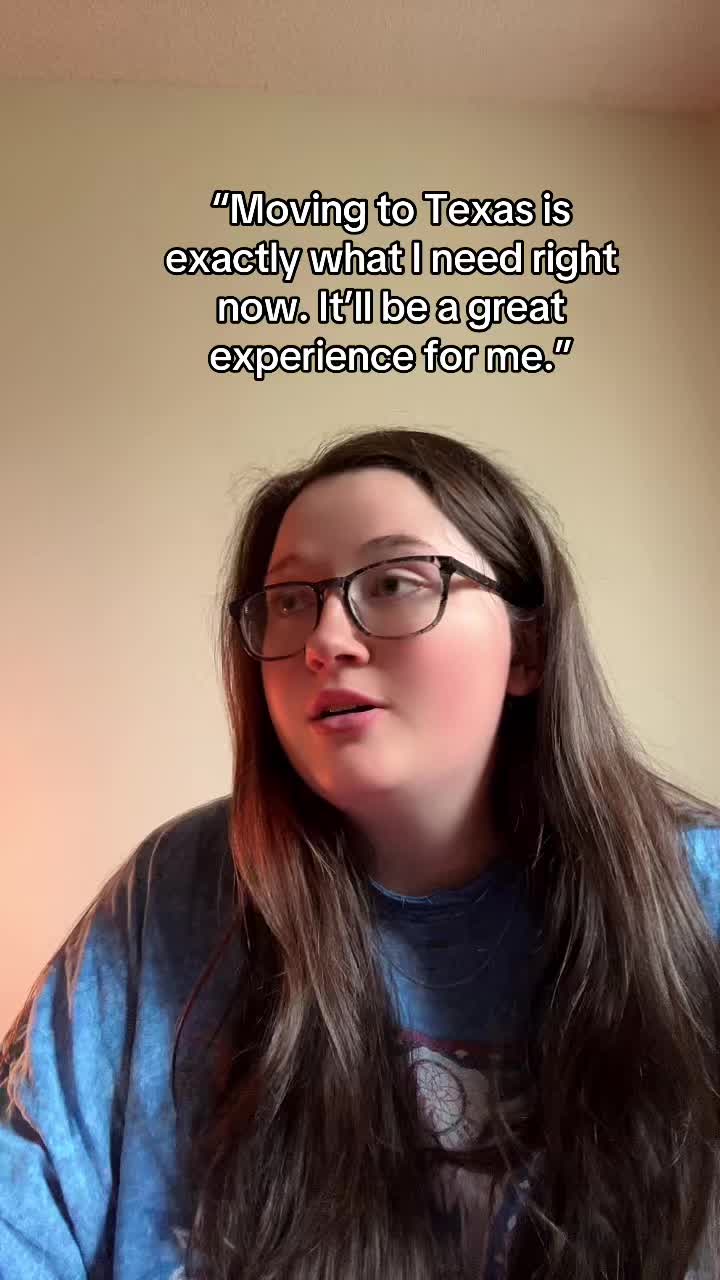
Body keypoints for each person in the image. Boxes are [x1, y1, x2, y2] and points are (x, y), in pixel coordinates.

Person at [1, 426, 719, 1280]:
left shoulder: (697, 900)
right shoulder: (175, 890)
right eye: (289, 600)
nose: (324, 640)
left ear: (527, 650)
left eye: (393, 583)